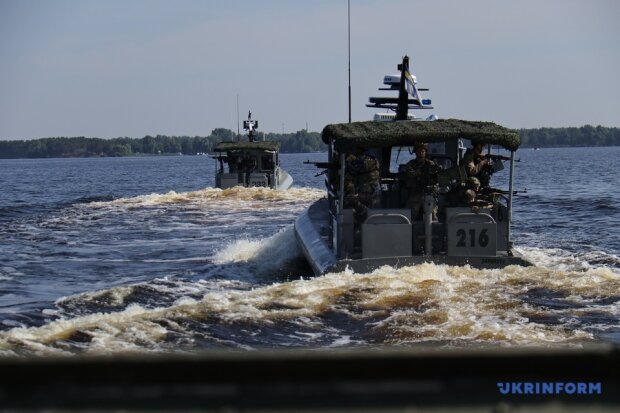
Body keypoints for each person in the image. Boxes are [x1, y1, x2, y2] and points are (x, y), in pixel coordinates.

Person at [400, 142, 441, 220]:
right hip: (416, 191)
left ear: (425, 152)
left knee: (433, 215)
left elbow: (436, 176)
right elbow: (410, 174)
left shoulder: (431, 163)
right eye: (419, 152)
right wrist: (421, 172)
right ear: (415, 153)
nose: (421, 153)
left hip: (429, 192)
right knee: (411, 214)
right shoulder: (411, 164)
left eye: (423, 151)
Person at [343, 147, 380, 219]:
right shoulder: (365, 159)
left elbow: (356, 169)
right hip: (365, 191)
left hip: (371, 193)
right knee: (350, 200)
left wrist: (349, 162)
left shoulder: (369, 160)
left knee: (350, 200)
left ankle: (364, 216)